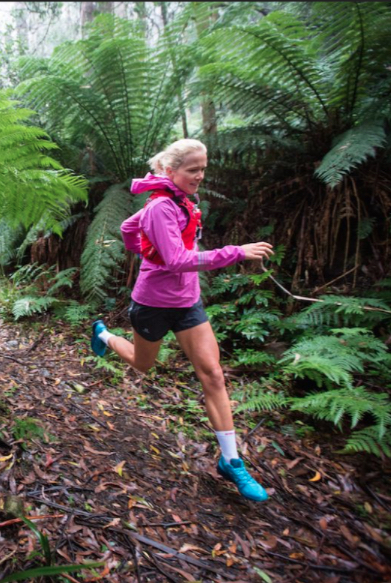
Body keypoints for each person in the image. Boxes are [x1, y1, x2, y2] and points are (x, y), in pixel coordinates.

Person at [90, 138, 274, 502]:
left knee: (213, 375)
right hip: (153, 304)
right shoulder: (160, 206)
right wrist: (236, 252)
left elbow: (128, 228)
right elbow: (175, 260)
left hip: (188, 303)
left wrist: (144, 249)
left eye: (203, 169)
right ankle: (105, 336)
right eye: (193, 170)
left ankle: (231, 462)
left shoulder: (182, 201)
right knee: (143, 365)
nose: (200, 175)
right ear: (171, 171)